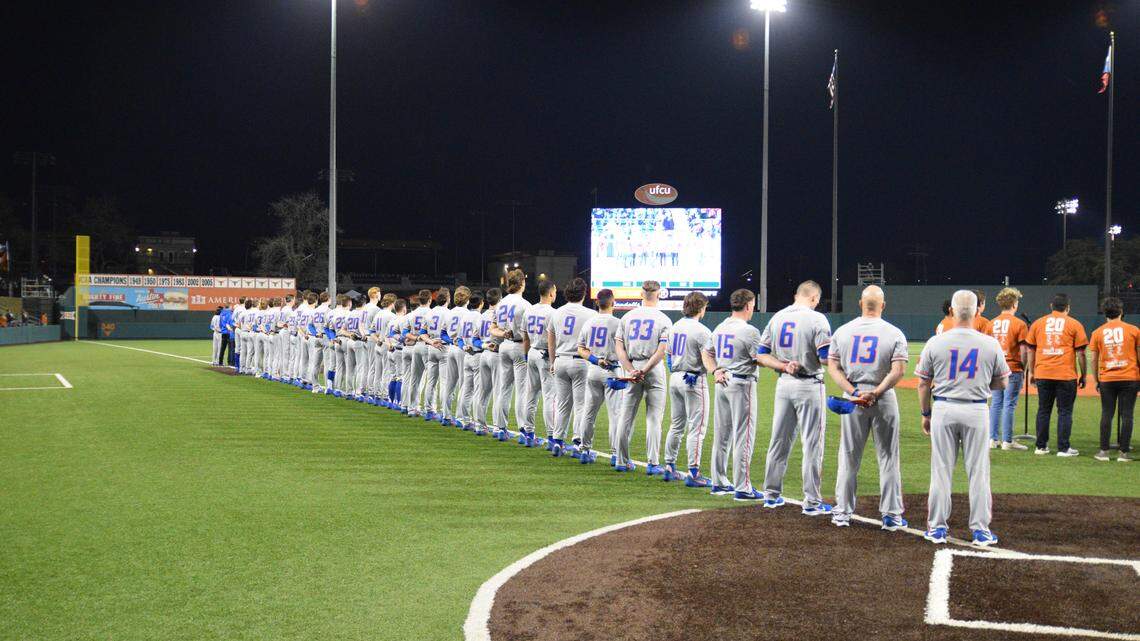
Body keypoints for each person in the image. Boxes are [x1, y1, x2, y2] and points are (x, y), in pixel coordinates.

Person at [916, 289, 1008, 547]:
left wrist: (926, 414)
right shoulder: (990, 343)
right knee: (978, 472)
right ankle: (980, 530)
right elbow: (1002, 381)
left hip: (944, 409)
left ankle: (936, 528)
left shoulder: (936, 342)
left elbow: (923, 384)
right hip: (977, 409)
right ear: (978, 310)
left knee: (941, 471)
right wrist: (979, 384)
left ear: (953, 311)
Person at [827, 286, 908, 530]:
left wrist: (854, 392)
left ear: (860, 303)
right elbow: (898, 371)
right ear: (883, 305)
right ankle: (891, 516)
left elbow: (833, 367)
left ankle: (842, 512)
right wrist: (876, 392)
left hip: (852, 399)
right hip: (883, 398)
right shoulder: (894, 333)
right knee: (888, 458)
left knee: (849, 458)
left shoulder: (843, 331)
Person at [757, 280, 834, 514]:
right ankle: (811, 502)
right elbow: (824, 358)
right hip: (809, 385)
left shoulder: (777, 317)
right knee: (812, 443)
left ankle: (771, 494)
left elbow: (761, 356)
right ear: (814, 299)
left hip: (784, 385)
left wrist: (782, 365)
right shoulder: (817, 319)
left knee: (779, 440)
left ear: (796, 295)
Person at [703, 288, 764, 499]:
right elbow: (759, 359)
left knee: (722, 435)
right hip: (741, 384)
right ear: (748, 305)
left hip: (722, 382)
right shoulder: (750, 331)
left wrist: (714, 370)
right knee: (743, 436)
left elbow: (707, 352)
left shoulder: (720, 327)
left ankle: (719, 482)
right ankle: (743, 487)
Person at [613, 280, 673, 474]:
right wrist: (645, 370)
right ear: (659, 294)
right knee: (654, 418)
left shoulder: (627, 316)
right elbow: (661, 351)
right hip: (653, 368)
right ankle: (653, 463)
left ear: (641, 293)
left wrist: (631, 370)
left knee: (626, 416)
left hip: (632, 367)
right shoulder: (664, 319)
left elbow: (619, 348)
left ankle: (621, 461)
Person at [1026, 293, 1088, 457]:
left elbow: (1031, 350)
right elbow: (1081, 353)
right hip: (1065, 374)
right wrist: (1084, 374)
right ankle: (1063, 448)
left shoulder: (1039, 323)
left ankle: (1041, 446)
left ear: (1051, 306)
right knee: (1065, 411)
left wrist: (1032, 372)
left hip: (1043, 372)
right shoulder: (1074, 324)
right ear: (1068, 308)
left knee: (1043, 410)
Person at [663, 291, 712, 484]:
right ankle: (693, 473)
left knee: (676, 425)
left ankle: (669, 466)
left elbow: (668, 356)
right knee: (697, 427)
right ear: (701, 308)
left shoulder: (675, 327)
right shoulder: (702, 330)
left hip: (675, 377)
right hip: (693, 379)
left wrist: (675, 371)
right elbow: (708, 358)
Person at [548, 278, 596, 457]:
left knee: (562, 404)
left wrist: (553, 361)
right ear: (583, 293)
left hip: (560, 359)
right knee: (581, 405)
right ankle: (578, 443)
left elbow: (551, 340)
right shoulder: (590, 314)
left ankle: (558, 441)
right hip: (580, 361)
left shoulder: (557, 312)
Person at [576, 288, 623, 465]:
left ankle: (584, 449)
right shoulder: (618, 323)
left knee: (589, 412)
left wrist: (596, 360)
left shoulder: (589, 323)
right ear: (613, 303)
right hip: (612, 370)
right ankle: (615, 454)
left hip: (594, 370)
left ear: (597, 303)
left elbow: (581, 349)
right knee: (615, 414)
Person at [1088, 297, 1138, 462]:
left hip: (1108, 378)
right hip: (1129, 377)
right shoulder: (1134, 330)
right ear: (1121, 312)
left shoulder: (1097, 332)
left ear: (1104, 313)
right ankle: (1123, 453)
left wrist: (1096, 380)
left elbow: (1093, 359)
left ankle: (1104, 452)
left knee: (1107, 413)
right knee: (1127, 414)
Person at [492, 271, 531, 443]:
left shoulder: (500, 304)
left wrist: (502, 332)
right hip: (518, 345)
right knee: (522, 390)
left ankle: (501, 428)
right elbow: (528, 333)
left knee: (504, 388)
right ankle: (523, 429)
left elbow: (492, 328)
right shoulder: (524, 304)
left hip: (504, 345)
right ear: (521, 283)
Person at [988, 287, 1029, 450]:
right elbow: (1024, 351)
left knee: (996, 403)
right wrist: (1024, 368)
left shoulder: (991, 323)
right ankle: (1007, 441)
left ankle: (992, 439)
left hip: (995, 369)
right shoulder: (1019, 324)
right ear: (1014, 304)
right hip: (1012, 368)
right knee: (1009, 404)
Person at [522, 280, 557, 445]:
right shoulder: (552, 313)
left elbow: (525, 337)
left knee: (531, 394)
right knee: (549, 396)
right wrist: (553, 360)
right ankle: (551, 436)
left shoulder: (529, 310)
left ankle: (528, 434)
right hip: (545, 355)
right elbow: (553, 340)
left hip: (532, 352)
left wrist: (526, 356)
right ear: (551, 293)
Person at [475, 288, 504, 435]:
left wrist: (484, 345)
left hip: (484, 354)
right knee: (499, 392)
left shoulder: (482, 316)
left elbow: (475, 340)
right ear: (500, 299)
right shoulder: (502, 314)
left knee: (483, 392)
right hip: (496, 354)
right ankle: (498, 427)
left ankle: (480, 425)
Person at [456, 292, 485, 429]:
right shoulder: (479, 317)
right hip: (477, 354)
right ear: (481, 303)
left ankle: (464, 420)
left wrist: (463, 347)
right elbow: (480, 337)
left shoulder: (464, 316)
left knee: (466, 389)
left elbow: (459, 339)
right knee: (478, 390)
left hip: (467, 354)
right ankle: (478, 424)